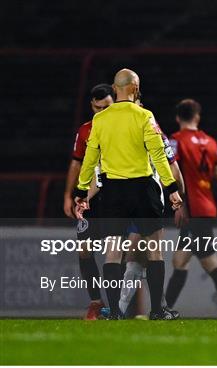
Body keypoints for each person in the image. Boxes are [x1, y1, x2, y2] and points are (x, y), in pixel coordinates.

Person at [73, 68, 182, 320]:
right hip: (143, 187)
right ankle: (156, 311)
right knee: (154, 250)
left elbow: (90, 159)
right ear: (135, 88)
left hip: (113, 190)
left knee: (113, 251)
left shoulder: (100, 120)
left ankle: (113, 312)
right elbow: (158, 154)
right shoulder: (144, 116)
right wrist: (172, 188)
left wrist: (81, 190)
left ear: (114, 89)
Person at [164, 99, 217, 320]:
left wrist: (178, 204)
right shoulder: (210, 142)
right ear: (197, 117)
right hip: (207, 207)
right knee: (185, 261)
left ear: (178, 117)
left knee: (204, 262)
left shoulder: (176, 141)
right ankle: (164, 310)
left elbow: (174, 172)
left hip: (192, 209)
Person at [63, 83, 113, 320]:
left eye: (107, 106)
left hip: (116, 196)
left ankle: (116, 305)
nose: (102, 111)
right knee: (85, 251)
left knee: (120, 253)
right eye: (98, 107)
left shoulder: (122, 128)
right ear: (92, 105)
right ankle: (96, 302)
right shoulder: (85, 131)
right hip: (90, 198)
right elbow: (76, 162)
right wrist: (67, 195)